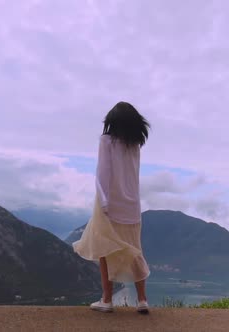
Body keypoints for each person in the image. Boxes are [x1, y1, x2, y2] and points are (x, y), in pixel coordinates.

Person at [73, 101, 151, 314]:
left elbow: (103, 173)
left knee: (104, 250)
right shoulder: (135, 145)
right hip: (133, 206)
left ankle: (107, 300)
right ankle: (142, 300)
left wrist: (104, 202)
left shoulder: (106, 141)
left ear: (112, 122)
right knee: (135, 251)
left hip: (110, 203)